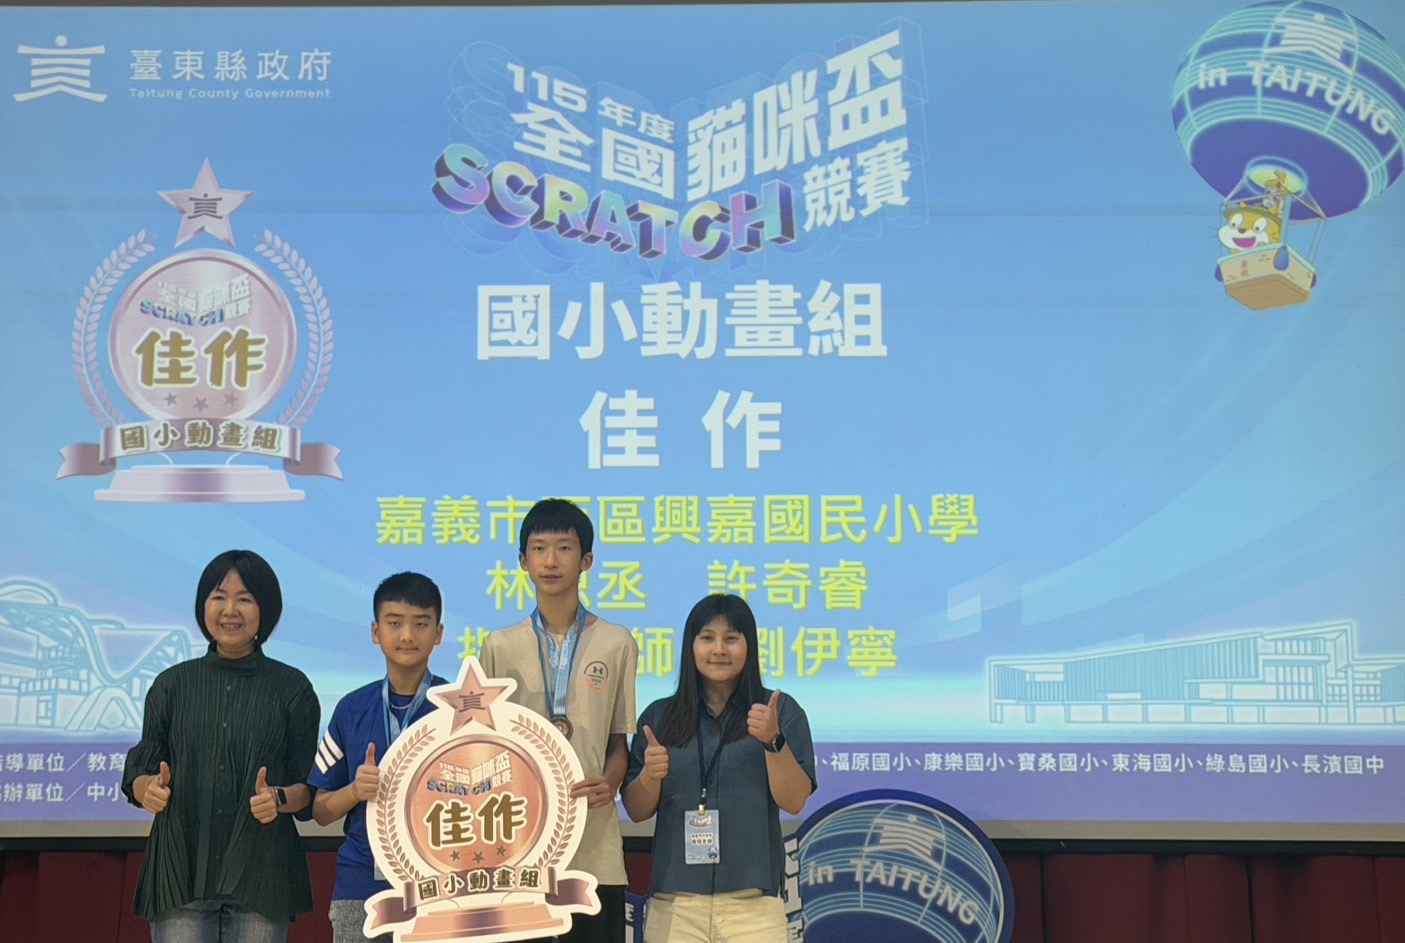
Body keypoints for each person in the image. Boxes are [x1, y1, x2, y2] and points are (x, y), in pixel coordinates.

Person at [122, 549, 320, 943]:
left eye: (244, 599)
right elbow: (141, 769)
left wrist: (278, 799)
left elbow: (308, 788)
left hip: (261, 875)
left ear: (266, 610)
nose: (230, 610)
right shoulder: (171, 685)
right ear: (204, 606)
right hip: (180, 872)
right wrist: (148, 789)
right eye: (218, 597)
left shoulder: (292, 688)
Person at [479, 498, 639, 943]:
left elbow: (619, 743)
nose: (551, 561)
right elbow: (483, 746)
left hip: (595, 849)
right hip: (518, 849)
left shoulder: (617, 642)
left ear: (586, 561)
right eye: (539, 548)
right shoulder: (499, 646)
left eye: (565, 548)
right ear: (523, 561)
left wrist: (610, 782)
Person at [622, 594, 816, 943]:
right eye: (707, 638)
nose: (719, 649)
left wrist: (773, 741)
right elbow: (636, 811)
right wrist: (650, 776)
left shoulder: (778, 711)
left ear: (749, 645)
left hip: (754, 908)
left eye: (732, 638)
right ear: (691, 646)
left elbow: (795, 800)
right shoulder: (659, 717)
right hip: (675, 906)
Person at [309, 571, 448, 943]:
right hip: (362, 886)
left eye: (421, 624)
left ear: (438, 634)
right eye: (395, 623)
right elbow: (321, 811)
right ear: (376, 632)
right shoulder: (351, 709)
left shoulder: (459, 709)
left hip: (441, 887)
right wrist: (355, 791)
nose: (407, 635)